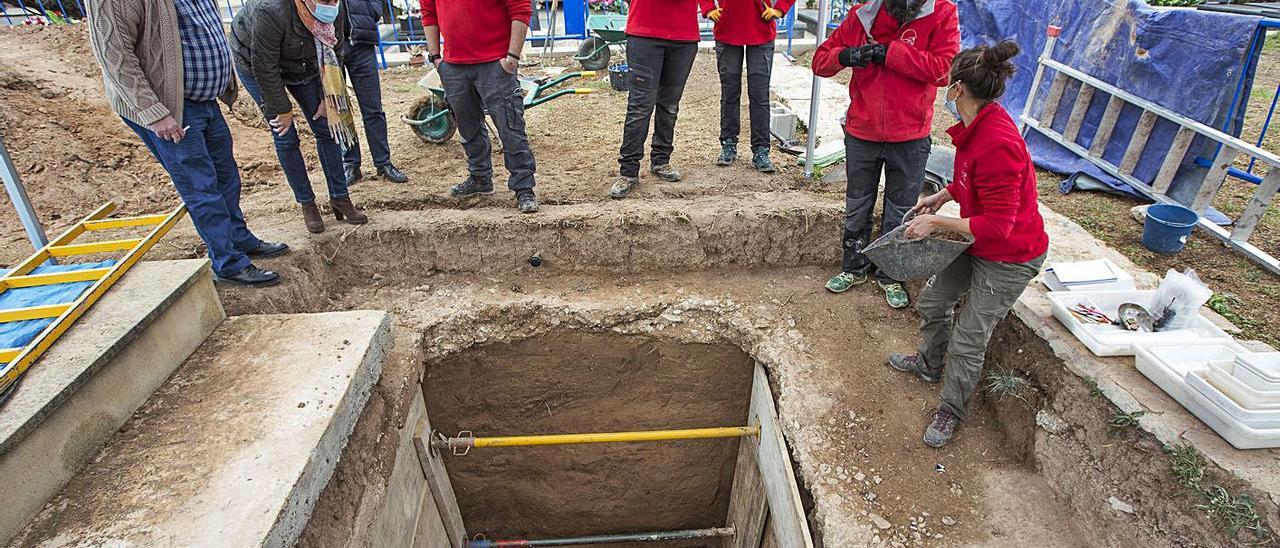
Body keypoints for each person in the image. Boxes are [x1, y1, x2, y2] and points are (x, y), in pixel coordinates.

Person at [888, 41, 1050, 448]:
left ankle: (951, 409)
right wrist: (943, 195)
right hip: (978, 243)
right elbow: (973, 179)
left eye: (947, 81)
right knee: (932, 302)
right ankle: (928, 364)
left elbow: (997, 226)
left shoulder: (998, 142)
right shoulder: (978, 125)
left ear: (957, 88)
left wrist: (936, 222)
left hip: (1010, 256)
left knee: (969, 337)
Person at [87, 0, 287, 288]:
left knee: (225, 176)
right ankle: (228, 263)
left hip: (203, 99)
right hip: (170, 106)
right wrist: (154, 112)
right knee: (201, 185)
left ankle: (238, 238)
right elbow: (114, 55)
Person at [812, 0, 959, 309]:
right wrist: (846, 55)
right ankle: (853, 268)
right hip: (862, 132)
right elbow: (820, 62)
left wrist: (890, 53)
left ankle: (890, 275)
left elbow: (943, 70)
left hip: (910, 136)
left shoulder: (941, 13)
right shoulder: (863, 16)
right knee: (858, 203)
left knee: (900, 208)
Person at [230, 0, 370, 234]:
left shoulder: (333, 8)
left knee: (328, 128)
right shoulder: (272, 10)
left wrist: (329, 93)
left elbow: (336, 49)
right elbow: (265, 66)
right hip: (258, 65)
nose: (330, 5)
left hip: (306, 64)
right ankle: (307, 204)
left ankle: (340, 197)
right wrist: (282, 109)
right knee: (285, 135)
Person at [420, 0, 540, 214]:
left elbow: (520, 9)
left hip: (495, 63)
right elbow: (428, 13)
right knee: (468, 127)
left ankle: (524, 187)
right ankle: (480, 177)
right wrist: (436, 57)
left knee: (510, 127)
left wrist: (512, 57)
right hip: (454, 67)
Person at [609, 0, 702, 199]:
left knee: (669, 106)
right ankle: (628, 171)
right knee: (640, 107)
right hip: (645, 34)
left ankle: (660, 160)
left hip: (683, 36)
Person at [700, 0, 794, 173]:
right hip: (727, 29)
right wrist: (707, 9)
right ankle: (728, 143)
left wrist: (781, 9)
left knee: (759, 96)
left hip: (761, 30)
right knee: (729, 93)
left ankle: (761, 149)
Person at [341, 0, 410, 186]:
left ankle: (383, 163)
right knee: (340, 111)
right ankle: (350, 164)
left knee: (373, 109)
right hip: (329, 45)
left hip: (362, 42)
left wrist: (372, 11)